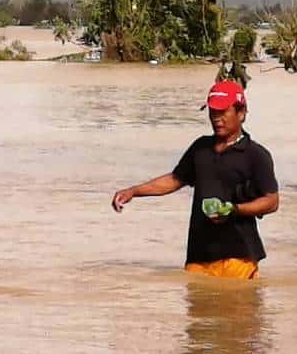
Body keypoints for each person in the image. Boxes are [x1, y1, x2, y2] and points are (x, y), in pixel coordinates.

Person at [111, 80, 279, 279]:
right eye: (213, 112)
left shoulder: (255, 155)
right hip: (198, 255)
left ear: (241, 113)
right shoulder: (201, 148)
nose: (217, 118)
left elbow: (272, 201)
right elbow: (175, 179)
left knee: (237, 307)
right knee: (197, 308)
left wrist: (234, 210)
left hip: (238, 255)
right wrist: (133, 191)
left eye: (223, 112)